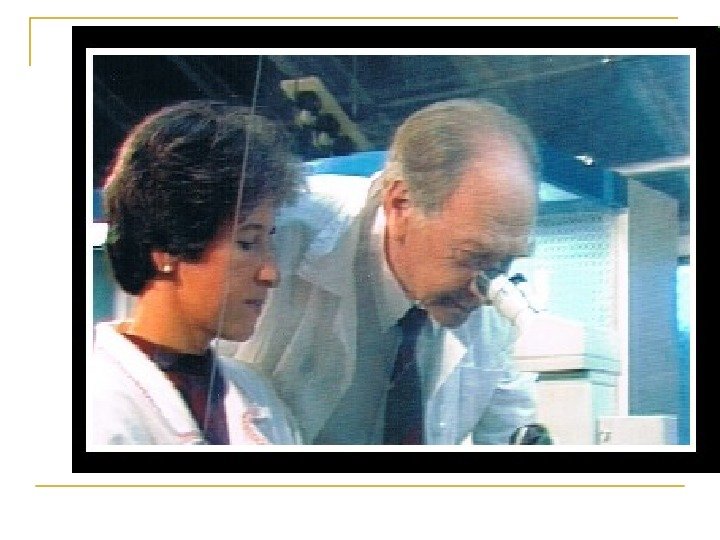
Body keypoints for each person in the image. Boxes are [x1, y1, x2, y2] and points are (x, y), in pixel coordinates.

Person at [235, 98, 542, 445]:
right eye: (473, 257)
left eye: (506, 262)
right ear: (400, 204)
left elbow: (512, 440)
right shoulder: (276, 234)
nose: (485, 293)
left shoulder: (495, 307)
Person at [91, 100, 304, 445]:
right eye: (247, 243)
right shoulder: (95, 397)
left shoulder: (257, 395)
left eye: (269, 241)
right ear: (167, 247)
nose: (271, 273)